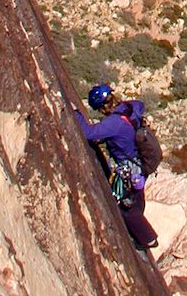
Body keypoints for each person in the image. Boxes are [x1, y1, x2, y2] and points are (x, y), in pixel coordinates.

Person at [74, 83, 159, 251]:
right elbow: (140, 105)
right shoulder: (128, 108)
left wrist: (76, 115)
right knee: (136, 198)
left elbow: (89, 133)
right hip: (140, 162)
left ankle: (148, 239)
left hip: (129, 167)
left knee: (124, 205)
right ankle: (139, 229)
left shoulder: (113, 123)